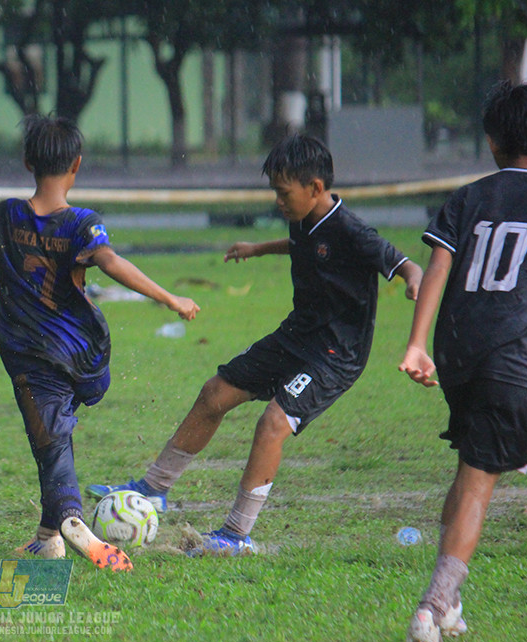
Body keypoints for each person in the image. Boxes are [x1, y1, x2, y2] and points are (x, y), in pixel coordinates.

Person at [87, 133, 423, 556]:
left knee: (272, 424)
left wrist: (412, 283)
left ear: (315, 188)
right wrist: (258, 248)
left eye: (283, 194)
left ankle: (236, 535)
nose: (278, 202)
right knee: (214, 393)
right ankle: (155, 489)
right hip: (295, 337)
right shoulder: (303, 218)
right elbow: (304, 245)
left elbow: (408, 266)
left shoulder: (353, 231)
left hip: (335, 355)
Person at [0, 113, 199, 572]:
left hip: (29, 353)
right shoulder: (82, 223)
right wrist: (169, 297)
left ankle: (72, 521)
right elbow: (108, 261)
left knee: (49, 444)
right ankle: (48, 540)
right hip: (80, 352)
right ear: (77, 166)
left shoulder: (2, 217)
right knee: (57, 430)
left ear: (28, 163)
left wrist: (1, 259)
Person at [399, 80, 527, 642]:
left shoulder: (469, 196)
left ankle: (448, 605)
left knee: (472, 467)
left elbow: (439, 266)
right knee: (481, 480)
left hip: (459, 354)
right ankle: (433, 604)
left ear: (491, 142)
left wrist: (416, 342)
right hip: (513, 357)